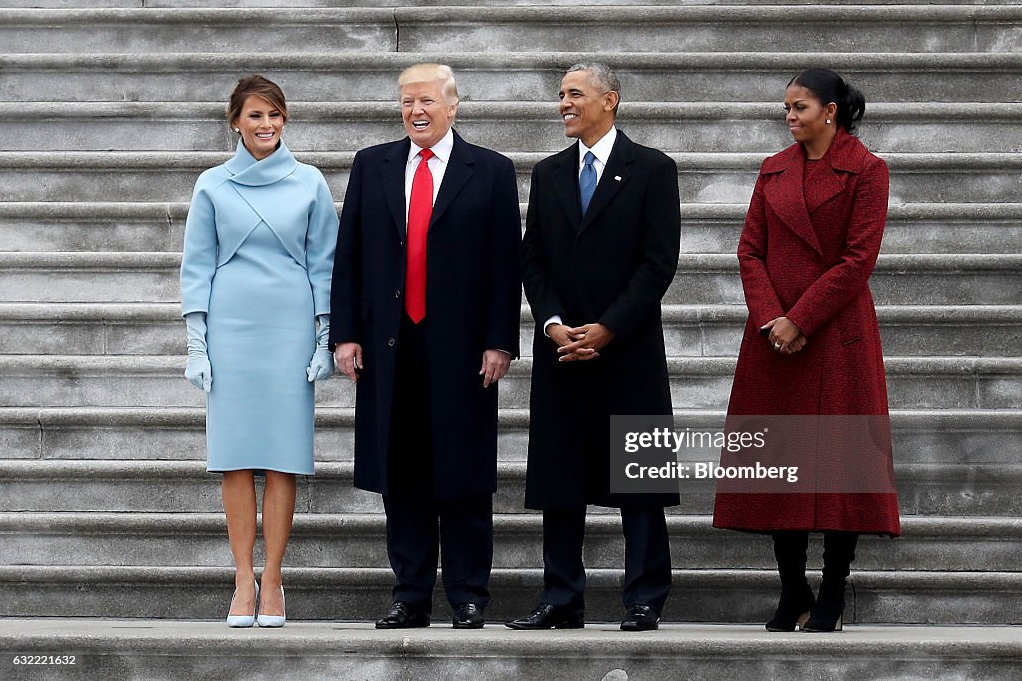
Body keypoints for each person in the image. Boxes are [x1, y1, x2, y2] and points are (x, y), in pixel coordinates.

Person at [330, 63, 521, 630]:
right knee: (403, 473)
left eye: (427, 101)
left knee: (462, 474)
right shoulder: (373, 164)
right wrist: (345, 333)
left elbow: (505, 265)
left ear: (453, 106)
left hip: (463, 349)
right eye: (407, 101)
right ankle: (410, 594)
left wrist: (499, 341)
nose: (416, 111)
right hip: (391, 345)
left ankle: (467, 595)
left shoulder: (490, 170)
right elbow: (350, 255)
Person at [712, 68, 901, 633]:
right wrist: (773, 317)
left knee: (840, 467)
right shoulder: (773, 170)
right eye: (786, 109)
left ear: (830, 112)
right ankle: (792, 587)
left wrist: (801, 319)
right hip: (773, 337)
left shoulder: (867, 170)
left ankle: (833, 591)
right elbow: (750, 251)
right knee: (778, 463)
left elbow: (857, 260)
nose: (789, 117)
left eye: (799, 107)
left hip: (835, 334)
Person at [507, 62, 681, 632]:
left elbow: (658, 263)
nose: (563, 103)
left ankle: (645, 597)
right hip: (562, 351)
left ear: (610, 100)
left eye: (574, 94)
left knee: (640, 479)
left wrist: (608, 328)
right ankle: (561, 597)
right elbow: (532, 259)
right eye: (560, 95)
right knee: (561, 479)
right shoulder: (551, 172)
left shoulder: (653, 169)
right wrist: (554, 323)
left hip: (626, 350)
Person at [179, 74, 337, 628]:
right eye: (255, 116)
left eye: (274, 115)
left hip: (289, 328)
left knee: (282, 456)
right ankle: (242, 580)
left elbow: (326, 264)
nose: (266, 125)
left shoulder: (310, 182)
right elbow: (197, 265)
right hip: (232, 328)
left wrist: (323, 338)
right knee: (236, 458)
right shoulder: (212, 185)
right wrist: (197, 343)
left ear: (284, 119)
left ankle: (274, 580)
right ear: (235, 122)